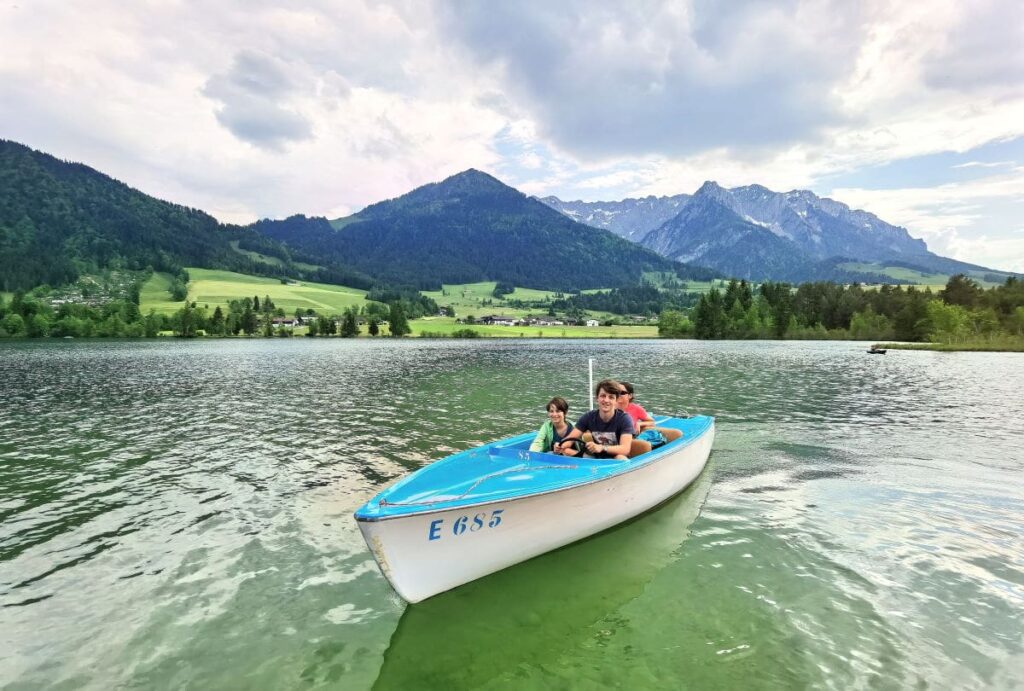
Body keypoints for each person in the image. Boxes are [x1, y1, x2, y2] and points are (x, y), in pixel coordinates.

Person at [555, 379, 634, 460]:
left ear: (616, 400)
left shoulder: (624, 419)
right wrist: (560, 445)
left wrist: (602, 448)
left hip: (617, 459)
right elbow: (570, 439)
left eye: (611, 397)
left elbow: (625, 449)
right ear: (597, 398)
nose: (606, 400)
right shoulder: (588, 417)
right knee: (565, 451)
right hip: (596, 459)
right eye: (603, 396)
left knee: (620, 458)